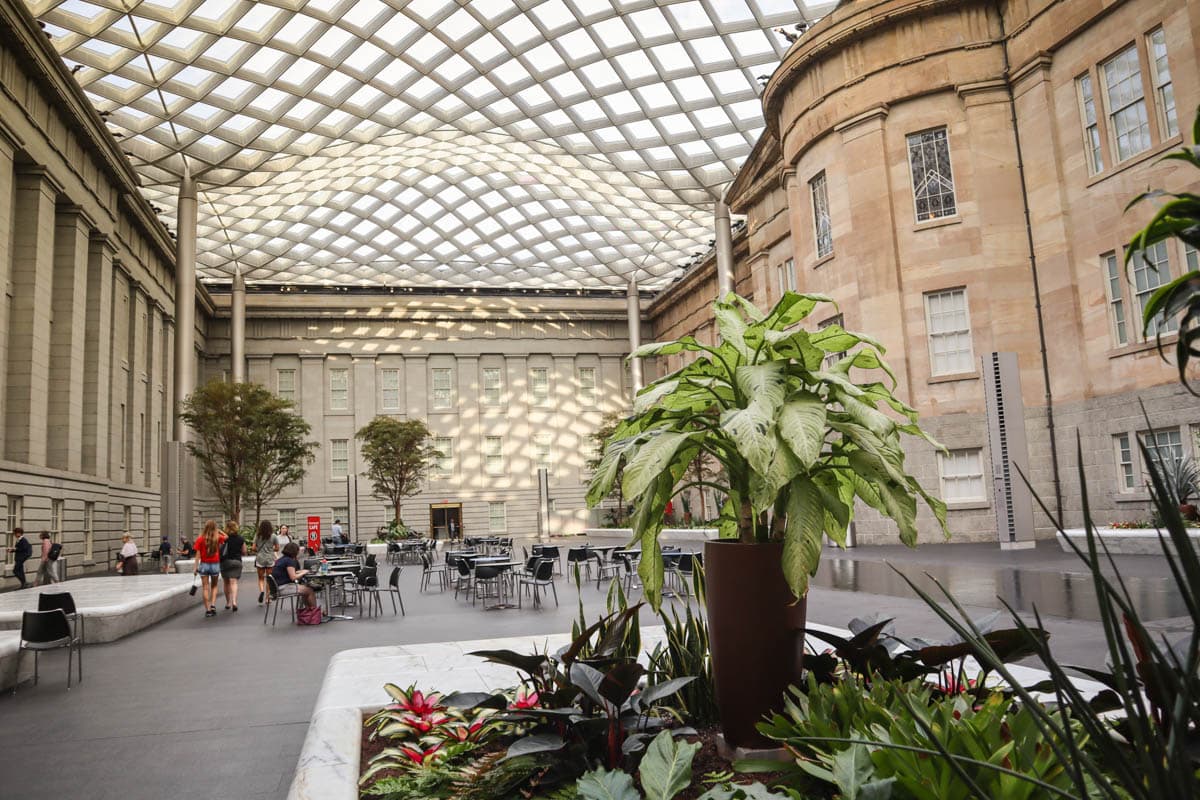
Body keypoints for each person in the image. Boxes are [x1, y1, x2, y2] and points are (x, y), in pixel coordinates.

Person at [193, 520, 226, 618]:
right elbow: (227, 537)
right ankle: (213, 605)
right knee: (214, 586)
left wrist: (195, 568)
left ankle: (207, 610)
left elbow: (197, 555)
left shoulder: (200, 539)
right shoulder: (218, 538)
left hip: (204, 565)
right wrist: (220, 531)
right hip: (215, 564)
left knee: (205, 588)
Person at [271, 542, 316, 610]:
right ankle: (315, 612)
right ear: (295, 551)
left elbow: (290, 572)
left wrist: (302, 571)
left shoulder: (281, 559)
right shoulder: (290, 561)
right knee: (309, 591)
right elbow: (293, 577)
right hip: (282, 588)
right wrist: (304, 573)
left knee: (304, 591)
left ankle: (309, 611)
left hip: (276, 587)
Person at [220, 520, 244, 612]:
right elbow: (244, 551)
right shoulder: (240, 538)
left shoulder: (224, 538)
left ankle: (228, 603)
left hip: (225, 561)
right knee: (234, 583)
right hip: (237, 561)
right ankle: (234, 602)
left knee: (226, 583)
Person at [253, 520, 277, 605]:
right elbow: (277, 548)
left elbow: (253, 548)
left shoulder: (257, 535)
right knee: (269, 579)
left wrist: (259, 550)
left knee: (260, 578)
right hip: (270, 558)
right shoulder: (274, 536)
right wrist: (270, 549)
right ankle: (267, 598)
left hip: (260, 559)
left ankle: (262, 591)